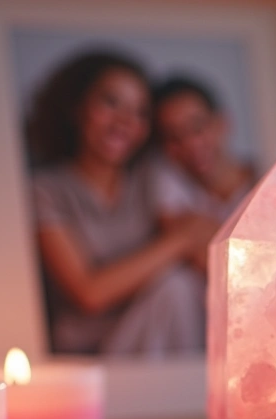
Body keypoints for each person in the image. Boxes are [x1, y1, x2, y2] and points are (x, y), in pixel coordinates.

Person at [25, 51, 211, 356]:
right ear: (77, 106)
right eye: (111, 103)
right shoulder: (46, 190)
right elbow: (89, 293)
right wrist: (178, 241)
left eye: (139, 113)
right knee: (174, 287)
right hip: (87, 357)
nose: (125, 122)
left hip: (157, 343)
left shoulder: (151, 177)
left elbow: (201, 245)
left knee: (180, 287)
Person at [146, 76, 256, 262]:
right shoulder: (172, 194)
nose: (190, 144)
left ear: (222, 122)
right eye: (173, 137)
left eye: (197, 127)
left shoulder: (271, 178)